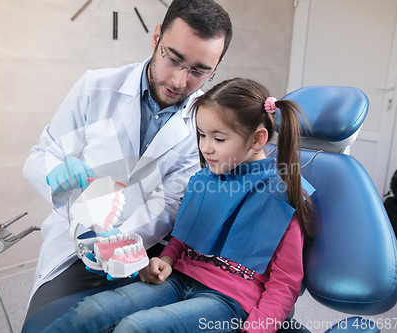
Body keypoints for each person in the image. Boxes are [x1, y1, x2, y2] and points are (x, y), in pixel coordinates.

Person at [42, 77, 315, 333]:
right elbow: (184, 238)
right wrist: (167, 259)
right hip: (180, 278)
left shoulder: (281, 197)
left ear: (258, 139)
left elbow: (285, 283)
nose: (205, 147)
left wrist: (257, 329)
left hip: (230, 301)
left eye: (218, 139)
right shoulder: (204, 180)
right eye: (201, 135)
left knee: (136, 328)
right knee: (91, 311)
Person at [22, 0, 233, 321]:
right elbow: (42, 155)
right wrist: (55, 173)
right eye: (173, 59)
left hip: (148, 248)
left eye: (199, 71)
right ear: (156, 38)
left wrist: (119, 240)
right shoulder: (96, 86)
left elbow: (172, 204)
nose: (179, 81)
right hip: (76, 241)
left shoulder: (205, 118)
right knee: (48, 324)